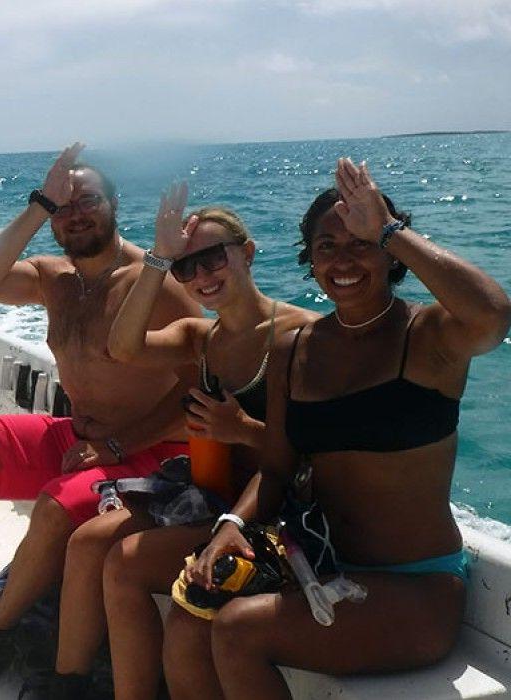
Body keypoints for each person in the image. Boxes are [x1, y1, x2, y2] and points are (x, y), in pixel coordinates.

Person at [162, 158, 511, 700]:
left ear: (387, 254)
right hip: (319, 559)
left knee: (237, 633)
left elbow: (492, 315)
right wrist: (232, 522)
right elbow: (277, 466)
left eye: (361, 243)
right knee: (190, 609)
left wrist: (391, 230)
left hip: (417, 587)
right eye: (327, 246)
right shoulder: (293, 347)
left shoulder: (428, 337)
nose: (343, 260)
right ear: (310, 259)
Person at [0, 143, 202, 698]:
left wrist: (117, 443)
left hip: (147, 451)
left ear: (114, 206)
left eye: (89, 200)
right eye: (64, 207)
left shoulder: (154, 284)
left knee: (59, 505)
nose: (75, 213)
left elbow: (199, 393)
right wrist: (39, 203)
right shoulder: (54, 278)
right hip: (80, 436)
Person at [46, 184, 319, 699]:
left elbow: (321, 455)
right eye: (185, 268)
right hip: (209, 495)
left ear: (249, 253)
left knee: (131, 567)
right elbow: (123, 346)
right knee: (94, 545)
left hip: (275, 511)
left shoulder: (303, 335)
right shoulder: (202, 339)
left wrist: (241, 431)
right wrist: (157, 259)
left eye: (212, 258)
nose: (200, 276)